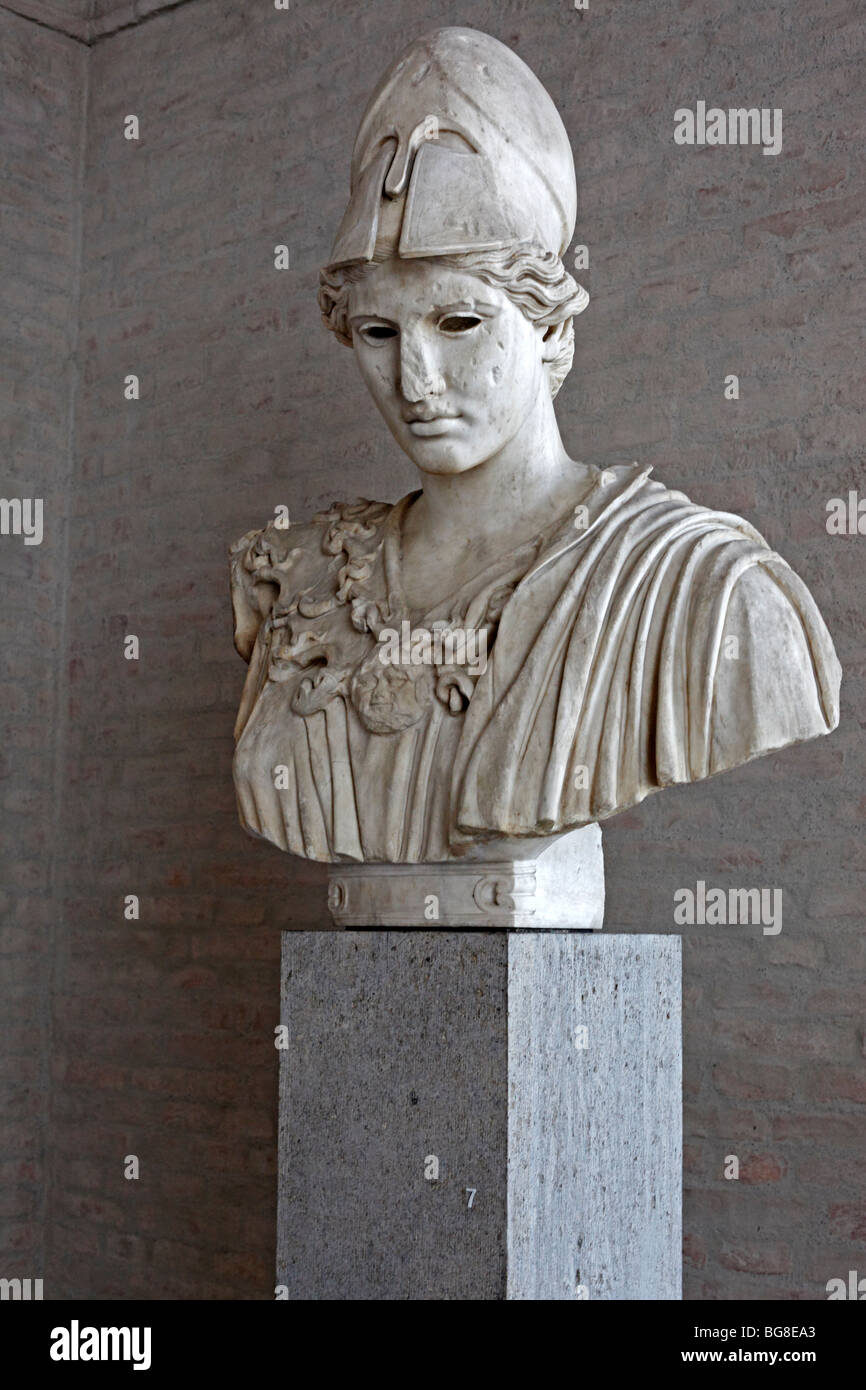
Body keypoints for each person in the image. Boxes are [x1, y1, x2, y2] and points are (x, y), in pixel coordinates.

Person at [230, 28, 840, 864]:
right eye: (377, 331)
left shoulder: (700, 591)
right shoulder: (295, 579)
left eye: (459, 323)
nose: (417, 380)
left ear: (548, 321)